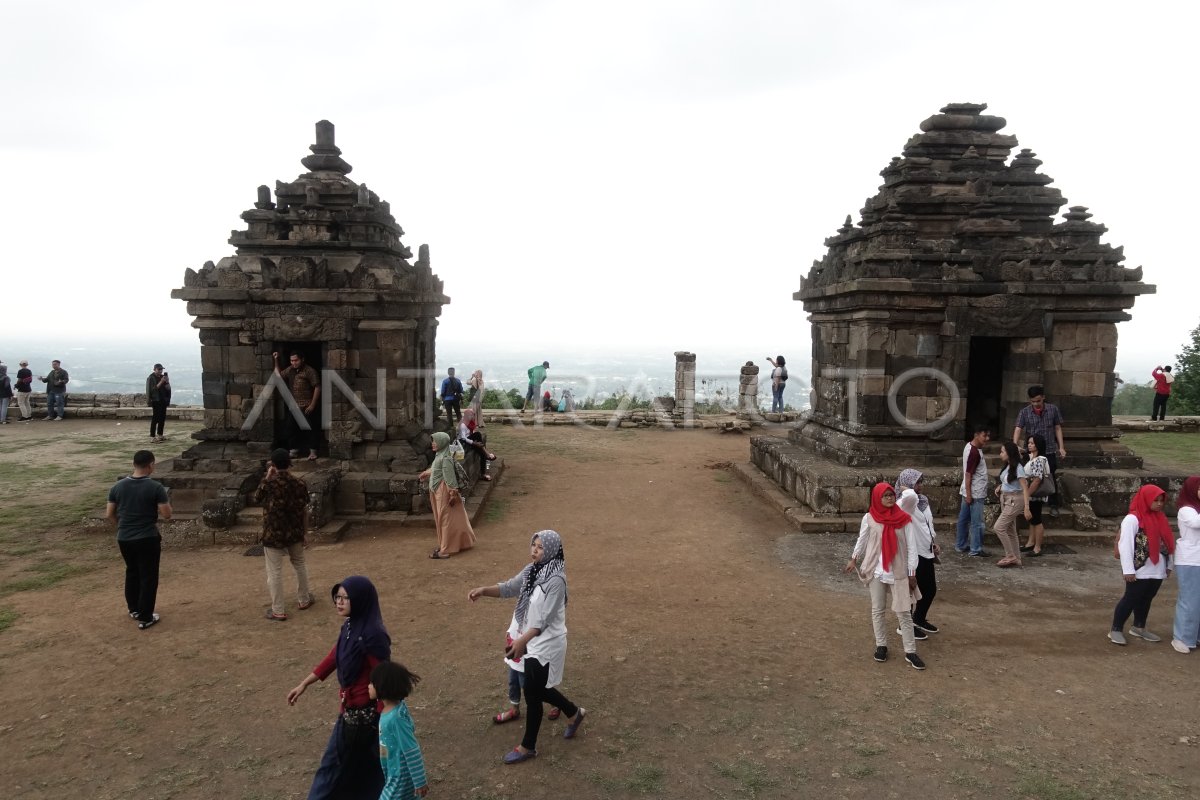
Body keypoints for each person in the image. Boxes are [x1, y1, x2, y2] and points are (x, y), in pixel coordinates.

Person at [468, 530, 587, 763]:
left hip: (547, 642)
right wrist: (484, 590)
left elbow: (544, 620)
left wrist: (523, 640)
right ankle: (573, 713)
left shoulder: (556, 581)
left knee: (533, 693)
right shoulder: (531, 570)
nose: (534, 549)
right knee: (536, 690)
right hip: (530, 637)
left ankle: (528, 746)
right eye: (533, 544)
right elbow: (509, 587)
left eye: (541, 547)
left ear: (552, 550)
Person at [287, 576, 390, 799]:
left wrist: (385, 718)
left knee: (333, 766)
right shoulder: (350, 627)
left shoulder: (372, 635)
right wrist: (305, 683)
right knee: (366, 766)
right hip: (351, 709)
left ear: (360, 600)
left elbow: (383, 676)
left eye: (345, 598)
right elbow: (335, 656)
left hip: (363, 717)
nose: (339, 602)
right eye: (338, 597)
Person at [844, 483, 925, 670]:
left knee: (904, 612)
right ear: (877, 498)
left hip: (898, 572)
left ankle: (910, 651)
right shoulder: (870, 518)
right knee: (878, 610)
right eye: (885, 496)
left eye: (891, 495)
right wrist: (853, 558)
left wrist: (912, 573)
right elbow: (862, 539)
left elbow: (912, 548)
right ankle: (881, 645)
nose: (889, 498)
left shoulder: (905, 519)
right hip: (876, 571)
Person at [105, 450, 172, 630]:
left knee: (132, 572)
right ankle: (146, 616)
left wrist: (122, 525)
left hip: (124, 537)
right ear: (150, 465)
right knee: (148, 576)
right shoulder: (155, 487)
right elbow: (166, 514)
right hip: (147, 537)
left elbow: (109, 513)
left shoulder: (117, 487)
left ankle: (134, 608)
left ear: (134, 464)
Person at [1109, 485, 1175, 646]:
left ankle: (1139, 626)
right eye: (1155, 500)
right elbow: (1125, 545)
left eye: (1161, 501)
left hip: (1157, 567)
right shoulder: (1133, 519)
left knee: (1147, 598)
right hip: (1139, 567)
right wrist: (1128, 569)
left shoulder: (1161, 518)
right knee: (1131, 598)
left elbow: (1167, 542)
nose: (1159, 504)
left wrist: (1169, 565)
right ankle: (1116, 629)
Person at [253, 448, 314, 621]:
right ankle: (304, 599)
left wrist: (267, 477)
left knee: (274, 572)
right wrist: (305, 532)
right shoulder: (299, 484)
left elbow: (256, 498)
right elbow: (304, 511)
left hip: (273, 532)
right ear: (290, 463)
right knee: (300, 564)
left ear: (272, 465)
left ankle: (278, 609)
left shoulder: (269, 485)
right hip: (294, 530)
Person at [369, 661, 429, 799]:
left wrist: (420, 781)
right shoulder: (394, 710)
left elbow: (411, 749)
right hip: (393, 771)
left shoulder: (395, 719)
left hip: (400, 776)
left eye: (372, 683)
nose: (368, 686)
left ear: (382, 686)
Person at [895, 468, 939, 636]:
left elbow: (928, 523)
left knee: (929, 590)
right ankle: (905, 626)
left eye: (921, 482)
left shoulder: (923, 501)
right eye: (917, 482)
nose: (920, 485)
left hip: (926, 550)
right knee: (911, 591)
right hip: (913, 552)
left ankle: (919, 618)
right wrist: (904, 488)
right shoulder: (906, 503)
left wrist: (933, 541)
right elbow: (910, 496)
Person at [420, 432, 476, 559]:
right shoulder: (440, 455)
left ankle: (444, 550)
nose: (433, 444)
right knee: (450, 519)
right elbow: (437, 469)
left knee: (446, 520)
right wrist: (426, 473)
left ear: (442, 443)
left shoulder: (446, 458)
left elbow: (450, 479)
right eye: (433, 441)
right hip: (438, 491)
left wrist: (452, 494)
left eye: (435, 441)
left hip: (444, 492)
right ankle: (458, 543)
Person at [1012, 385, 1066, 513]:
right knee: (1027, 476)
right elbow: (1018, 428)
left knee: (1050, 475)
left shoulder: (1053, 410)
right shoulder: (1025, 412)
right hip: (1031, 450)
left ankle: (1053, 505)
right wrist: (1015, 444)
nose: (1036, 404)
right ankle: (1026, 501)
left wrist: (1061, 447)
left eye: (1038, 401)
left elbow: (1057, 428)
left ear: (1043, 398)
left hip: (1049, 449)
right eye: (1033, 401)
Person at [1171, 476, 1200, 654]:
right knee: (1190, 600)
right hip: (1190, 560)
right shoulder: (1186, 510)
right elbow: (1196, 523)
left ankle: (1195, 635)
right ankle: (1181, 637)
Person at [274, 351, 321, 460]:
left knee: (310, 429)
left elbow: (317, 387)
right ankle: (293, 451)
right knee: (290, 428)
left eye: (296, 360)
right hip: (294, 406)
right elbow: (278, 376)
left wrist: (313, 405)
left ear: (302, 359)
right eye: (292, 360)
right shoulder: (290, 370)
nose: (293, 363)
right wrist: (276, 359)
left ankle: (313, 452)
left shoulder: (309, 371)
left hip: (307, 405)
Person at [992, 442, 1031, 568]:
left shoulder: (1018, 467)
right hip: (1006, 498)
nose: (1000, 454)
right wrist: (1000, 487)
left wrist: (1026, 507)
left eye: (1003, 451)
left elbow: (1025, 488)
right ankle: (1017, 558)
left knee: (999, 527)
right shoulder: (1009, 466)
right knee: (1010, 530)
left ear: (1009, 453)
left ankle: (1010, 555)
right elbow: (1008, 481)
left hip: (1015, 499)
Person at [955, 426, 990, 557]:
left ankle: (961, 544)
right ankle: (976, 548)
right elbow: (969, 474)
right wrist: (970, 495)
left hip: (968, 490)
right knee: (977, 523)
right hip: (975, 492)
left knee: (963, 519)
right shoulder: (974, 452)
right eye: (984, 435)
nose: (987, 438)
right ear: (976, 435)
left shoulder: (969, 447)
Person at [1020, 434, 1051, 557]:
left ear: (1038, 445)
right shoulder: (1033, 457)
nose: (1029, 445)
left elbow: (1037, 480)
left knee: (1037, 520)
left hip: (1036, 494)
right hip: (1032, 494)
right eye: (1029, 443)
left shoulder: (1040, 459)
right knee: (1032, 519)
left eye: (1032, 443)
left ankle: (1037, 547)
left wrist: (1026, 494)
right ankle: (1030, 543)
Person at [459, 408, 497, 482]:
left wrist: (476, 442)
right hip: (464, 443)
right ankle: (487, 453)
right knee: (478, 434)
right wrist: (474, 443)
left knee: (482, 454)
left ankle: (483, 474)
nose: (472, 416)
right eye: (471, 415)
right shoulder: (463, 425)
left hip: (471, 440)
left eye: (473, 415)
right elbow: (463, 438)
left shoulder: (470, 423)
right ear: (466, 416)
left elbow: (471, 433)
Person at [146, 363, 171, 442]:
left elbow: (168, 388)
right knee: (155, 418)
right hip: (156, 400)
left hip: (163, 400)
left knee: (162, 418)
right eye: (159, 369)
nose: (160, 371)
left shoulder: (162, 377)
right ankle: (152, 436)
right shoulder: (151, 378)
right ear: (154, 369)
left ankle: (160, 435)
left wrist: (167, 382)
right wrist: (161, 381)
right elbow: (152, 390)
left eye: (161, 369)